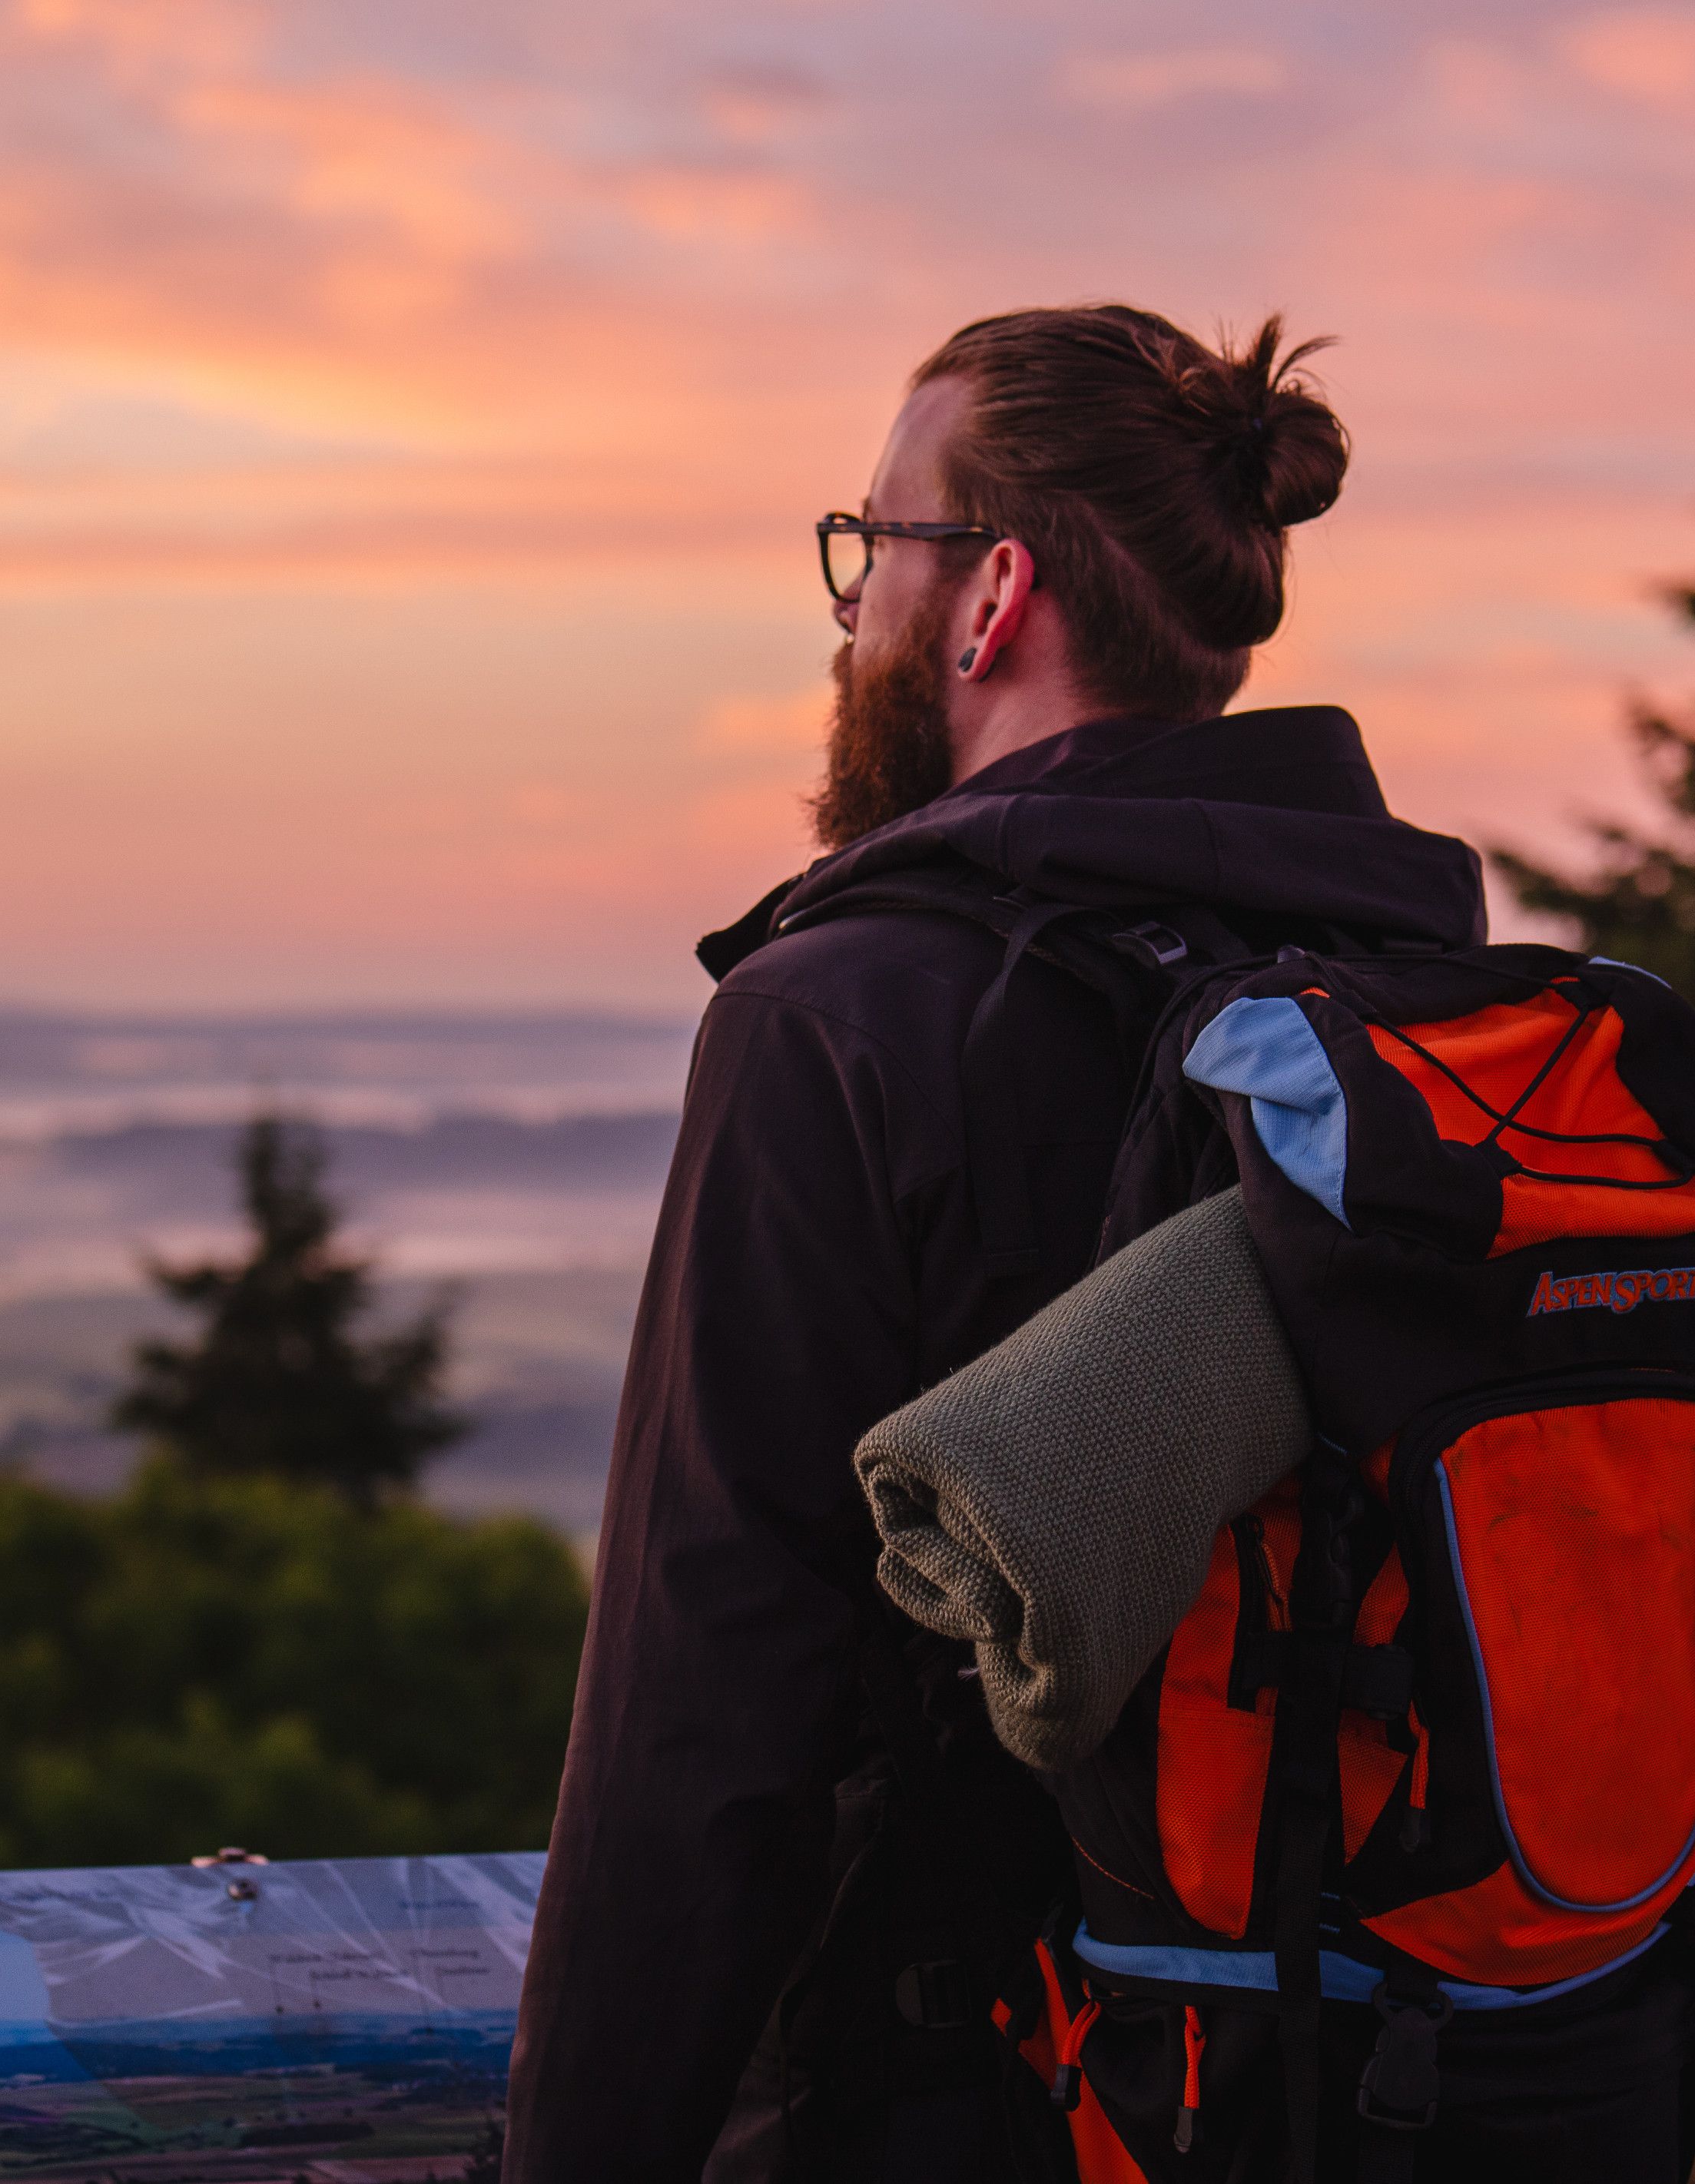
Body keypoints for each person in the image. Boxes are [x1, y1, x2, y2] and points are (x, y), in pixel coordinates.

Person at [508, 306, 1485, 2182]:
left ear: (991, 597)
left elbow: (704, 1714)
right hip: (1402, 2071)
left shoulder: (847, 1017)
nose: (851, 606)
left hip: (987, 2096)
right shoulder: (1416, 1005)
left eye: (876, 545)